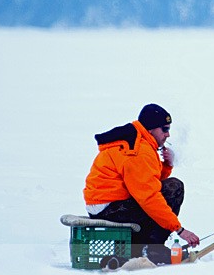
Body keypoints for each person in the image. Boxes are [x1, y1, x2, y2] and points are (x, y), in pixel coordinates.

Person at [83, 103, 200, 263]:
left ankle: (141, 249)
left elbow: (149, 183)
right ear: (151, 129)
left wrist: (167, 166)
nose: (168, 135)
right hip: (110, 208)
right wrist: (179, 230)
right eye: (164, 129)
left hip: (106, 204)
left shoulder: (137, 141)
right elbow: (149, 196)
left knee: (168, 189)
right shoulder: (139, 151)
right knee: (174, 188)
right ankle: (151, 250)